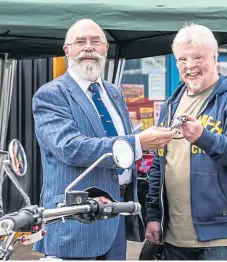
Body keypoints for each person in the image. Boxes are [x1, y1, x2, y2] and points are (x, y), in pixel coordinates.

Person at [32, 19, 176, 260]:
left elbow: (120, 141)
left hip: (116, 215)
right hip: (76, 219)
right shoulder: (50, 95)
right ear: (67, 50)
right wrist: (138, 143)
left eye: (95, 41)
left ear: (105, 49)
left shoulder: (113, 92)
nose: (88, 47)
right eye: (80, 41)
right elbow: (70, 147)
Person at [144, 23, 227, 260]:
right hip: (174, 236)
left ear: (215, 57)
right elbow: (159, 166)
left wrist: (204, 137)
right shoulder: (171, 105)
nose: (190, 66)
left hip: (221, 236)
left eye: (198, 57)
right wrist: (153, 216)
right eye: (182, 59)